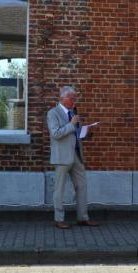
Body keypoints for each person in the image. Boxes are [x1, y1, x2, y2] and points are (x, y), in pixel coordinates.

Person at [46, 86, 99, 229]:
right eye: (72, 98)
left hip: (76, 155)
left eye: (75, 97)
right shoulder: (53, 113)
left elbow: (75, 134)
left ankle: (83, 217)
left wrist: (86, 132)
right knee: (59, 189)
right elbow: (56, 134)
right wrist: (72, 124)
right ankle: (59, 219)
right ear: (63, 98)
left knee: (82, 186)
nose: (75, 100)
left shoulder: (73, 113)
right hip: (62, 157)